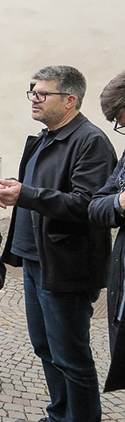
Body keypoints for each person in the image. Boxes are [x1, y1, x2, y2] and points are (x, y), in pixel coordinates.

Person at [0, 65, 117, 422]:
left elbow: (88, 205)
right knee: (45, 347)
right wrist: (16, 191)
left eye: (42, 94)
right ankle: (59, 414)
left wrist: (27, 194)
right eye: (32, 91)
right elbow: (41, 192)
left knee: (71, 357)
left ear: (70, 100)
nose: (34, 98)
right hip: (36, 261)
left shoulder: (90, 141)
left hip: (67, 265)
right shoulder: (47, 136)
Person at [88, 70, 125, 393]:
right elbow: (97, 206)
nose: (121, 128)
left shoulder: (92, 141)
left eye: (122, 120)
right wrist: (122, 201)